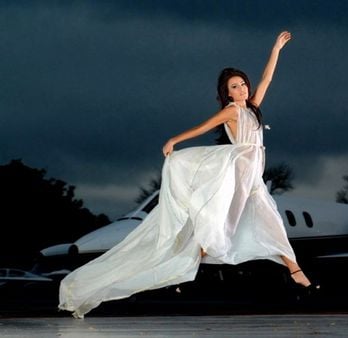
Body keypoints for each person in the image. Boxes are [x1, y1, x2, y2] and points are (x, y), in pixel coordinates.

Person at [59, 31, 318, 319]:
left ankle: (292, 271)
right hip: (236, 180)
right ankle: (179, 264)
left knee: (267, 226)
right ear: (228, 93)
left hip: (253, 181)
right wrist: (174, 141)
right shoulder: (232, 111)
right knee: (227, 231)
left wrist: (277, 48)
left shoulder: (253, 109)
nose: (243, 89)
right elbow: (203, 127)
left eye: (243, 83)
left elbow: (267, 79)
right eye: (236, 86)